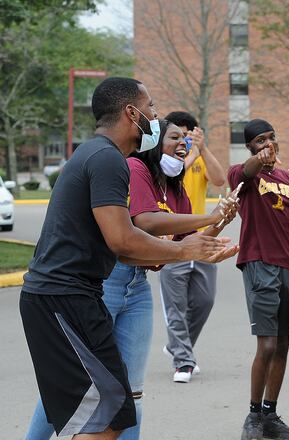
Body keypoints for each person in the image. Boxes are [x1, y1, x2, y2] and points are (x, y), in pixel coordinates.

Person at [19, 77, 235, 439]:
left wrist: (192, 246)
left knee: (112, 411)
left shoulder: (102, 155)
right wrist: (185, 250)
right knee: (107, 413)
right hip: (62, 298)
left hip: (71, 297)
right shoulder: (108, 160)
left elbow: (123, 247)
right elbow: (124, 240)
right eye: (151, 108)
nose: (156, 117)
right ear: (132, 113)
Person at [229, 119, 289, 440]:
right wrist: (259, 158)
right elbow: (246, 171)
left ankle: (270, 415)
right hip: (259, 262)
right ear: (249, 146)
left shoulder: (285, 178)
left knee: (282, 343)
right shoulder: (243, 175)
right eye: (260, 140)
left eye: (271, 138)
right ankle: (253, 416)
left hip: (288, 266)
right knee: (266, 343)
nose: (268, 143)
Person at [159, 111, 228, 382]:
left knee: (204, 301)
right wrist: (191, 154)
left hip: (202, 240)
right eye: (178, 136)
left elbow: (220, 180)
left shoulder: (199, 158)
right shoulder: (162, 161)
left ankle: (177, 347)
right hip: (173, 243)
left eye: (188, 136)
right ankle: (184, 363)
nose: (184, 141)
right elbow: (172, 175)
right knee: (176, 306)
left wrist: (204, 149)